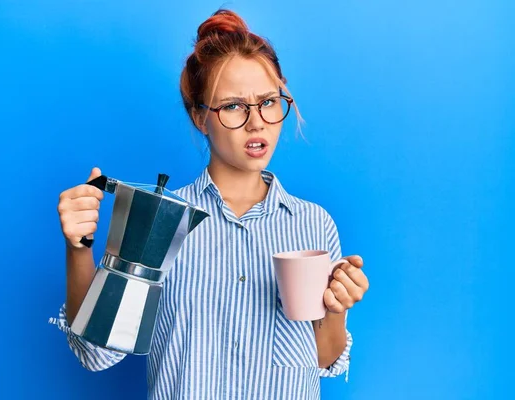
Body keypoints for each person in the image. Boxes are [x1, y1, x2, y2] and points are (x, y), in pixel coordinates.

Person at [49, 8, 369, 399]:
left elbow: (322, 358)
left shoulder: (313, 224)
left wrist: (337, 307)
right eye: (233, 106)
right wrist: (78, 249)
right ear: (201, 117)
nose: (257, 122)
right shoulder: (161, 221)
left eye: (269, 101)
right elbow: (95, 354)